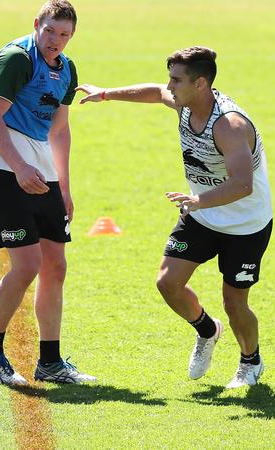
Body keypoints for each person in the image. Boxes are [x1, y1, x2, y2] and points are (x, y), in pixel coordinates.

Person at [77, 46, 272, 388]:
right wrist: (105, 94)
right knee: (168, 283)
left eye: (176, 79)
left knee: (234, 302)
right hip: (201, 213)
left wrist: (198, 199)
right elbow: (154, 92)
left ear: (200, 83)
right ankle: (207, 330)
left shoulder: (230, 125)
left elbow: (242, 184)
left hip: (245, 225)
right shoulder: (184, 104)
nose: (170, 85)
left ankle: (250, 361)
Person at [0, 0, 95, 386]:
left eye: (65, 35)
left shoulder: (67, 69)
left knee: (55, 265)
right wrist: (19, 167)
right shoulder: (16, 58)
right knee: (26, 266)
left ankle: (50, 361)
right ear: (36, 24)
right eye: (51, 31)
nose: (56, 41)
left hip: (42, 171)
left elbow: (59, 130)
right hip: (4, 169)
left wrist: (65, 187)